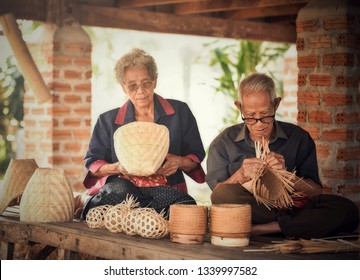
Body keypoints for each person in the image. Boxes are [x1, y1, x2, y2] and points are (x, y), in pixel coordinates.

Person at [206, 72, 359, 239]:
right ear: (239, 107)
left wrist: (286, 176)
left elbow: (315, 192)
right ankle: (298, 226)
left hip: (293, 207)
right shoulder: (224, 142)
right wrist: (240, 175)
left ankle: (264, 229)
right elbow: (217, 195)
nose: (258, 124)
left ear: (276, 105)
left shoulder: (298, 138)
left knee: (347, 209)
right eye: (250, 116)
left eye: (265, 115)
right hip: (256, 209)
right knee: (224, 195)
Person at [75, 48, 205, 219]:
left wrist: (178, 162)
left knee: (185, 207)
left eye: (146, 83)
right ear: (123, 87)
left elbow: (195, 159)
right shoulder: (107, 120)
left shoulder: (179, 112)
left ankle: (134, 213)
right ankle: (88, 200)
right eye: (132, 85)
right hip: (124, 185)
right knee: (122, 195)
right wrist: (118, 167)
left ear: (155, 81)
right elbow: (93, 165)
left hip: (163, 187)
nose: (141, 91)